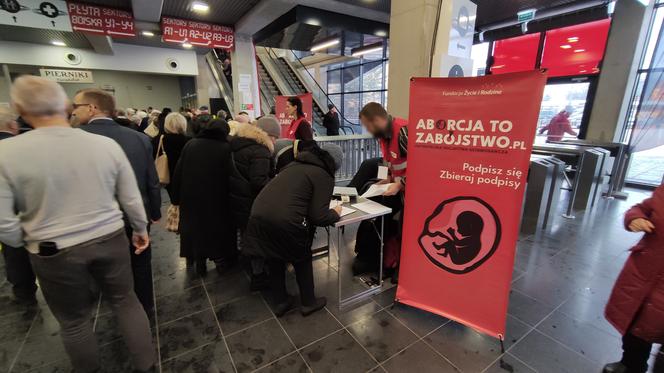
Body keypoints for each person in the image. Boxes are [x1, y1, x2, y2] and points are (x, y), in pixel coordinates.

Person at [0, 76, 154, 372]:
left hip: (51, 249)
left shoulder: (7, 153)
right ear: (66, 106)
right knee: (126, 301)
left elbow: (4, 222)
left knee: (73, 321)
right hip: (109, 236)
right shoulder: (103, 145)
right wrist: (139, 229)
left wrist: (27, 241)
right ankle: (147, 365)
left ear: (19, 107)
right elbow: (131, 197)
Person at [73, 89, 162, 315]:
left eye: (76, 106)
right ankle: (145, 307)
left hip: (92, 220)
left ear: (92, 107)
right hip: (135, 214)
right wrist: (155, 210)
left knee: (102, 270)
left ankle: (116, 309)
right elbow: (151, 180)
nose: (73, 111)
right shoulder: (139, 139)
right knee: (140, 264)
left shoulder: (72, 140)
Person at [243, 143, 343, 317]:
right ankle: (309, 302)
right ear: (333, 164)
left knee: (274, 255)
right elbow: (318, 217)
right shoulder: (323, 174)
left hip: (258, 214)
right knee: (302, 257)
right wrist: (335, 212)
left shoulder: (293, 165)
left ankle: (281, 301)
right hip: (285, 220)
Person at [603, 185, 664, 373]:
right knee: (635, 325)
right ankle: (630, 364)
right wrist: (635, 218)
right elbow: (641, 208)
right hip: (642, 274)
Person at [170, 119, 237, 276]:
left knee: (195, 230)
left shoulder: (191, 144)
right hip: (216, 198)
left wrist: (175, 199)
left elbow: (178, 172)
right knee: (216, 230)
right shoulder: (225, 148)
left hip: (190, 196)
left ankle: (199, 265)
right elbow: (230, 176)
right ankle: (220, 262)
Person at [352, 102, 408, 281]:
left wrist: (400, 184)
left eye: (368, 126)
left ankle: (402, 270)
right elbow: (390, 163)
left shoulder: (404, 133)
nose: (368, 130)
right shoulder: (383, 136)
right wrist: (387, 179)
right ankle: (377, 258)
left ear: (377, 120)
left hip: (412, 192)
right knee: (382, 219)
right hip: (397, 189)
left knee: (404, 229)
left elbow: (422, 165)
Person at [229, 117, 280, 290]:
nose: (275, 141)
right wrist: (277, 185)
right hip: (251, 202)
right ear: (268, 135)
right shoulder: (260, 150)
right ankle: (258, 276)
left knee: (245, 235)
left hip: (237, 198)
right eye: (275, 137)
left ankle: (248, 264)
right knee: (257, 238)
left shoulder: (239, 144)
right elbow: (259, 181)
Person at [0, 107, 37, 304]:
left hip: (7, 224)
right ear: (13, 125)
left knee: (14, 256)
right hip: (33, 213)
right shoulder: (25, 148)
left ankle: (24, 292)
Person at [162, 112, 190, 201]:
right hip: (186, 177)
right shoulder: (190, 141)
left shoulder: (159, 140)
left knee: (174, 201)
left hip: (167, 176)